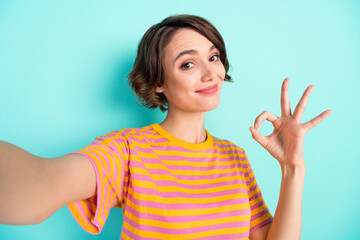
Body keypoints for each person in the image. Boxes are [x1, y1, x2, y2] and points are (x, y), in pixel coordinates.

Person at [0, 14, 332, 240]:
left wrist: (292, 168)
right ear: (159, 82)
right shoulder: (128, 150)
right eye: (188, 63)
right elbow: (43, 182)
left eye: (213, 57)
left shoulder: (235, 157)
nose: (210, 73)